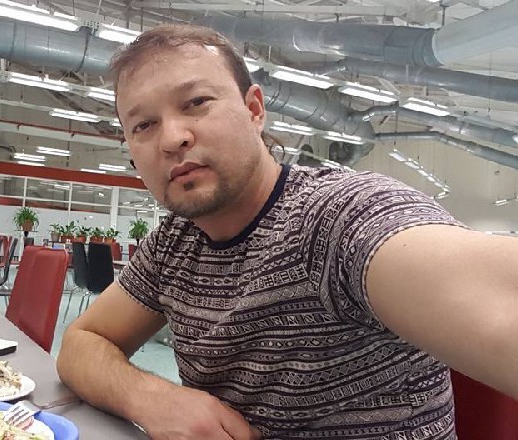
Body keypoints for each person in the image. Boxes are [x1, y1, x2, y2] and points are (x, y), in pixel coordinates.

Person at [56, 23, 518, 440]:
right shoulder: (174, 243)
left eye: (196, 103)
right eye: (143, 125)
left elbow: (495, 297)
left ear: (254, 109)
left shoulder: (337, 219)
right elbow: (82, 342)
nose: (172, 138)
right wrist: (153, 398)